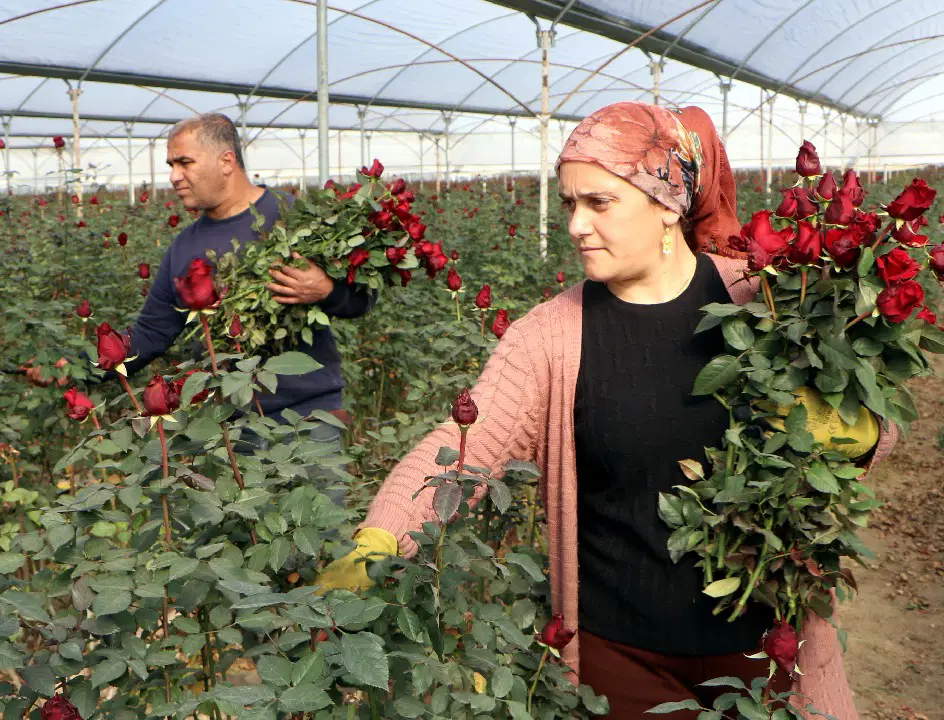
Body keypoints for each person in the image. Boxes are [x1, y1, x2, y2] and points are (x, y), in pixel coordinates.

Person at [317, 102, 895, 719]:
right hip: (622, 658)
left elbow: (868, 419)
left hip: (766, 648)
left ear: (667, 204)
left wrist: (856, 428)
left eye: (599, 202)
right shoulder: (552, 336)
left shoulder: (769, 300)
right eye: (570, 204)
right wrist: (381, 535)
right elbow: (468, 445)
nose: (576, 225)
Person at [122, 113, 375, 427]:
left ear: (226, 162)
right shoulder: (185, 247)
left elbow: (362, 299)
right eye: (171, 165)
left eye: (185, 163)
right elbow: (151, 332)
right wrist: (81, 368)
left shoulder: (295, 218)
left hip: (308, 418)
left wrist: (327, 291)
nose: (174, 176)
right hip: (229, 428)